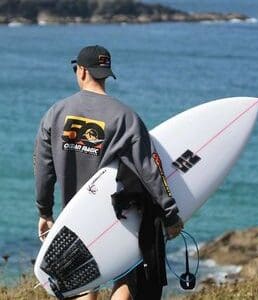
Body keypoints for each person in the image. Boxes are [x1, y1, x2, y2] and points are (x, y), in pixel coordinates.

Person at [34, 45, 183, 300]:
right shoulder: (125, 117)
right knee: (126, 276)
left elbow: (44, 169)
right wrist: (170, 214)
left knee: (83, 284)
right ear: (105, 74)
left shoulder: (55, 114)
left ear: (81, 71)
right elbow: (149, 169)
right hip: (119, 219)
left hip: (75, 218)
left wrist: (45, 212)